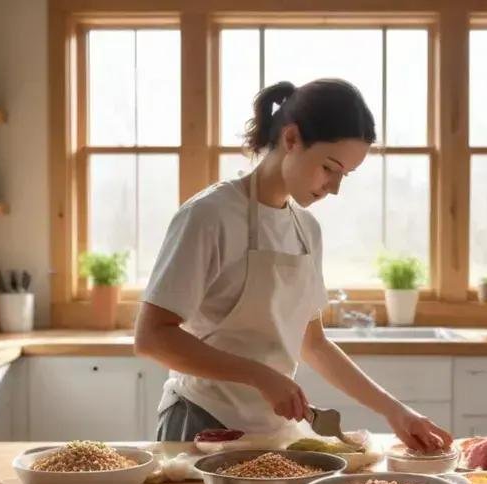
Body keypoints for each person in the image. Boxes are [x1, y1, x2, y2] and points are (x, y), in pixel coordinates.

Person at [134, 78, 453, 453]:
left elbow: (314, 344)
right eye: (329, 168)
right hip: (201, 422)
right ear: (291, 139)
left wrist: (396, 411)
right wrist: (259, 375)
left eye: (344, 175)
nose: (334, 188)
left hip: (271, 431)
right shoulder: (209, 216)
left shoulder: (306, 230)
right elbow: (152, 337)